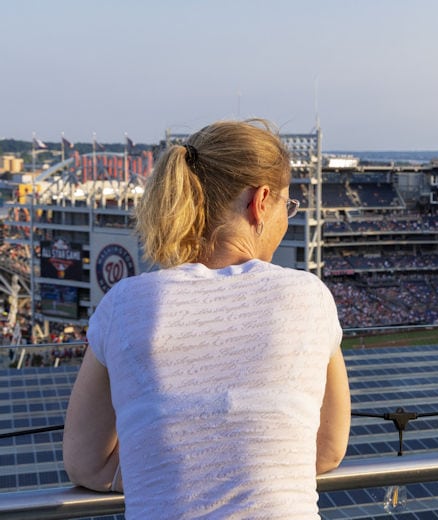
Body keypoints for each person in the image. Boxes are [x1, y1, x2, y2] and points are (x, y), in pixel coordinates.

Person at [63, 119, 351, 519]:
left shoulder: (124, 303)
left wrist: (170, 473)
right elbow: (328, 449)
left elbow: (86, 463)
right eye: (289, 204)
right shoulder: (306, 296)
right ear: (261, 201)